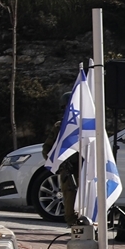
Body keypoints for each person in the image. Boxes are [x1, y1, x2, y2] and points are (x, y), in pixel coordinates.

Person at [43, 92, 80, 226]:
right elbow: (47, 149)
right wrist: (60, 164)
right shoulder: (60, 127)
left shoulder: (87, 126)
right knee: (70, 198)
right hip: (69, 169)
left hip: (85, 168)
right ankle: (74, 228)